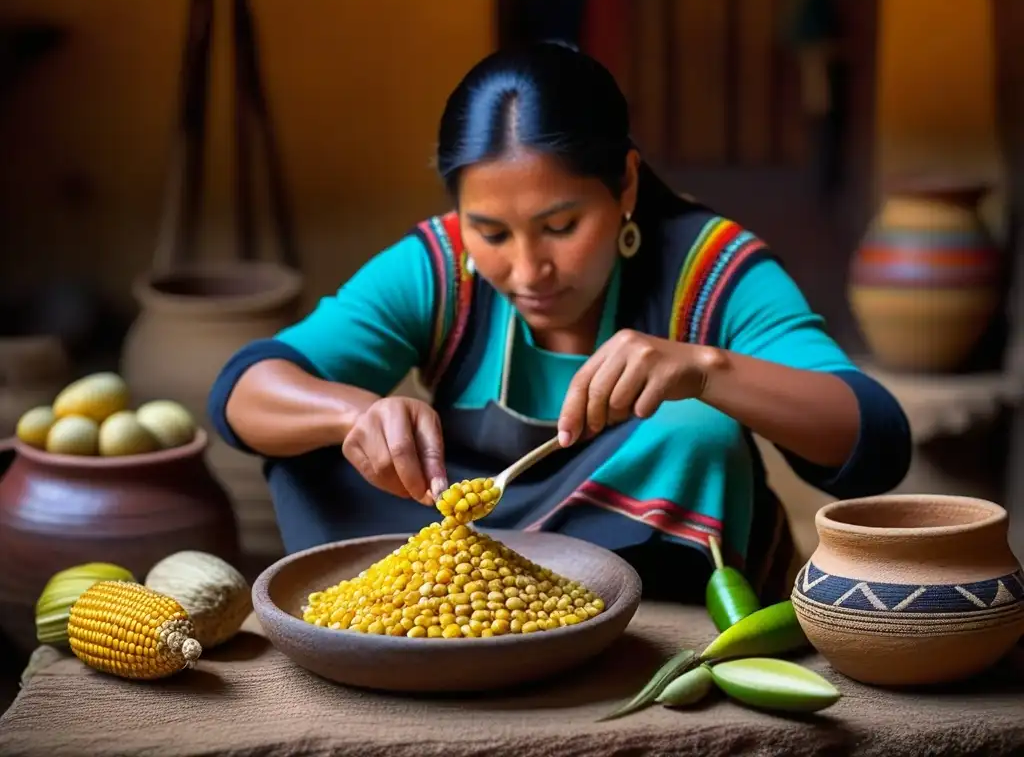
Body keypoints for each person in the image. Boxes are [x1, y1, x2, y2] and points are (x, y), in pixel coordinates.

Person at [207, 42, 911, 604]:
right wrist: (350, 413)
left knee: (696, 433)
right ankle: (469, 604)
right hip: (453, 549)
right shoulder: (440, 263)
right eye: (491, 230)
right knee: (306, 444)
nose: (527, 269)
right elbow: (244, 390)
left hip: (640, 554)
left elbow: (874, 440)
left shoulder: (710, 267)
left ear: (625, 184)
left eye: (561, 225)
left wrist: (705, 370)